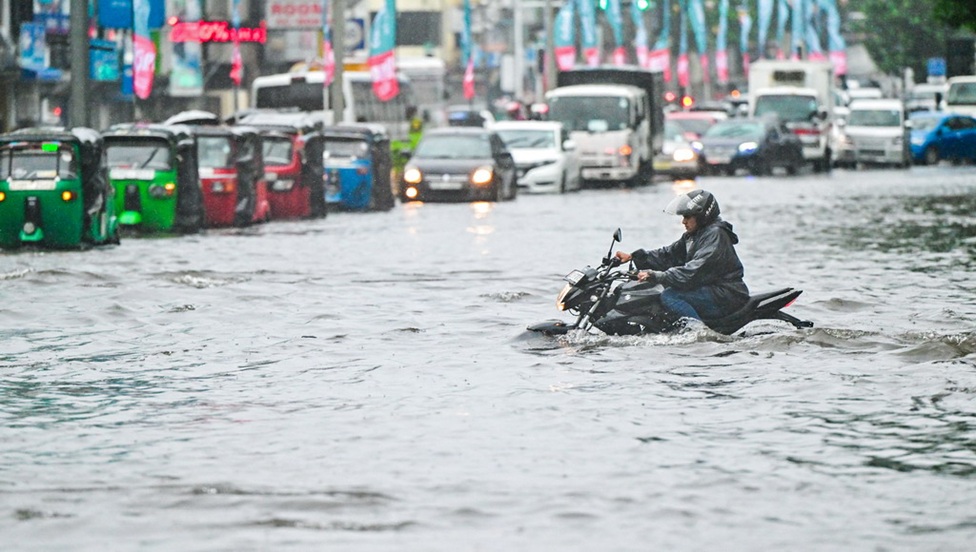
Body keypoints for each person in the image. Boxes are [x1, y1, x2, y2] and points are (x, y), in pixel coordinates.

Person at [614, 189, 749, 322]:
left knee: (670, 296)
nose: (683, 221)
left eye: (687, 217)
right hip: (710, 288)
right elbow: (668, 255)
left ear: (702, 216)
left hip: (726, 294)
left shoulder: (715, 235)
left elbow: (693, 270)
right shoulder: (694, 235)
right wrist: (633, 256)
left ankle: (696, 331)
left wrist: (657, 275)